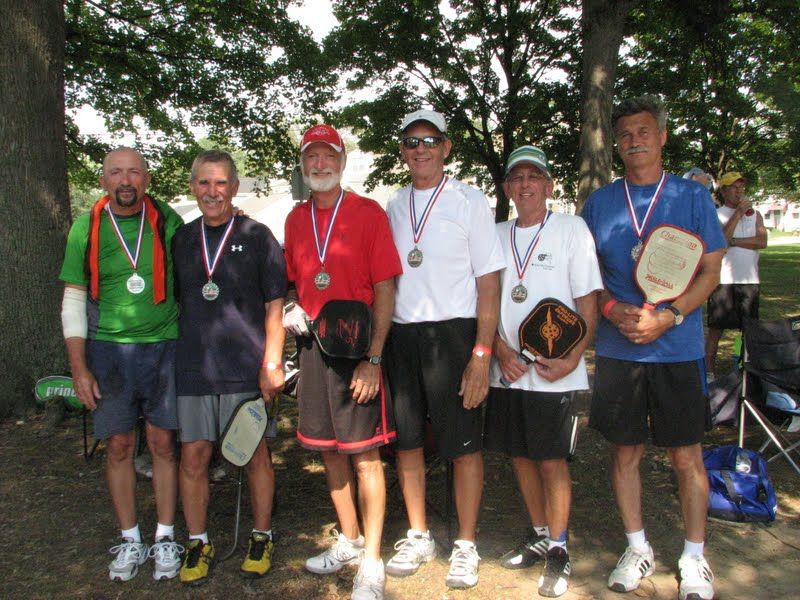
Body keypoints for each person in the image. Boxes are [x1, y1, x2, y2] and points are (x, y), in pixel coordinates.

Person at [581, 95, 725, 600]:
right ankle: (637, 546)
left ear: (662, 137)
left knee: (687, 456)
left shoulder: (691, 196)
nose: (634, 140)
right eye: (625, 134)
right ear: (617, 145)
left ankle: (693, 556)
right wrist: (608, 308)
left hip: (677, 347)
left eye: (644, 131)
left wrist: (671, 315)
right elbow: (587, 275)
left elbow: (711, 271)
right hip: (620, 351)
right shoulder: (600, 202)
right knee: (625, 453)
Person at [383, 109, 504, 589]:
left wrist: (481, 354)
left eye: (430, 140)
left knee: (463, 445)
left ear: (447, 147)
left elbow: (489, 284)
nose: (421, 149)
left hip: (455, 334)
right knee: (408, 443)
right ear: (403, 152)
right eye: (411, 142)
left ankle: (466, 545)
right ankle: (418, 534)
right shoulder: (393, 205)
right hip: (402, 334)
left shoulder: (469, 200)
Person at [282, 124, 401, 600]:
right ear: (304, 163)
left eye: (327, 156)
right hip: (314, 350)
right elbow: (293, 281)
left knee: (365, 456)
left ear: (342, 160)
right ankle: (349, 539)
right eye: (311, 156)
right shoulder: (295, 219)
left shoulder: (368, 213)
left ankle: (372, 560)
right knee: (329, 450)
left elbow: (387, 289)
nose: (319, 164)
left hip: (357, 351)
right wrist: (292, 304)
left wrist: (374, 356)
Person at [59, 147, 183, 582]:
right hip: (108, 351)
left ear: (147, 178)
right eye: (116, 173)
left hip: (164, 346)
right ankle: (131, 538)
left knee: (165, 443)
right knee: (119, 447)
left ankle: (166, 535)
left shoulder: (169, 221)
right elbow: (73, 299)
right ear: (103, 180)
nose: (125, 180)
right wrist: (79, 368)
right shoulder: (85, 228)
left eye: (134, 172)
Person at [486, 146, 602, 597]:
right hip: (509, 369)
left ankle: (559, 548)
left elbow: (588, 299)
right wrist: (497, 348)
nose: (525, 184)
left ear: (549, 185)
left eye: (535, 176)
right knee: (519, 456)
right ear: (508, 187)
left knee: (551, 460)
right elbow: (486, 298)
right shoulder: (495, 233)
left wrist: (575, 357)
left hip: (557, 370)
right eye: (517, 177)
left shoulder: (572, 229)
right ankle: (537, 534)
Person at [172, 150, 287, 584]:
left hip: (246, 366)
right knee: (194, 456)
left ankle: (262, 535)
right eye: (203, 183)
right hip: (195, 366)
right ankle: (198, 540)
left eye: (220, 183)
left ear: (234, 188)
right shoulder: (182, 239)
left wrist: (272, 360)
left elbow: (276, 303)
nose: (212, 191)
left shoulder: (259, 236)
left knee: (254, 454)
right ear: (193, 187)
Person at [704, 171, 768, 381]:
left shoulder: (756, 215)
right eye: (733, 187)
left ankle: (745, 366)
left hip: (749, 281)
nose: (739, 191)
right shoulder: (716, 214)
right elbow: (720, 240)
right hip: (723, 280)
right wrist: (738, 214)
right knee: (716, 328)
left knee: (750, 329)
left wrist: (735, 242)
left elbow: (761, 242)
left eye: (741, 187)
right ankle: (709, 371)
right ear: (723, 190)